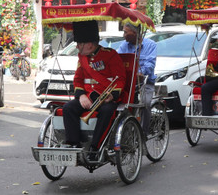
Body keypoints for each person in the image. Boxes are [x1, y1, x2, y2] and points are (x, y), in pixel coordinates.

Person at [62, 21, 125, 160]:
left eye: (79, 43)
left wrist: (111, 95)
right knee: (68, 108)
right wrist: (81, 96)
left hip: (106, 98)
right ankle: (74, 144)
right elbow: (78, 80)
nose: (77, 46)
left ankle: (95, 147)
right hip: (88, 97)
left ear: (89, 44)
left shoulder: (110, 55)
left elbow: (120, 79)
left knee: (106, 111)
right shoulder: (82, 58)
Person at [117, 22, 157, 131]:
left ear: (134, 33)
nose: (123, 35)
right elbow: (117, 60)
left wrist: (141, 72)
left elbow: (150, 65)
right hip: (129, 83)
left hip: (145, 83)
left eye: (126, 32)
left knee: (145, 103)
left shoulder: (151, 45)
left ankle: (143, 132)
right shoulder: (123, 46)